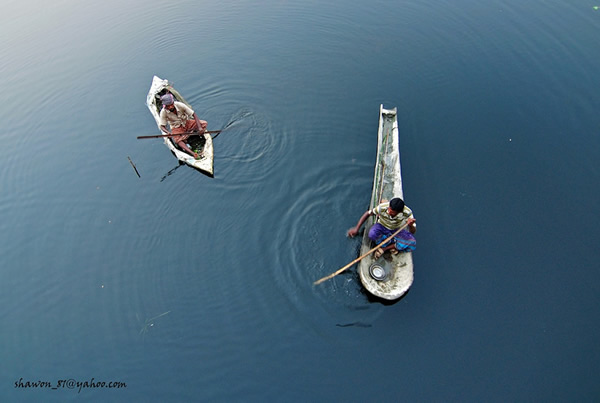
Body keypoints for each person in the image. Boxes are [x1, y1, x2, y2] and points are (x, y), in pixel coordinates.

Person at [347, 197, 417, 259]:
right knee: (372, 234)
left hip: (396, 229)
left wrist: (410, 225)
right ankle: (392, 244)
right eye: (389, 209)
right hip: (382, 226)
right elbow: (368, 213)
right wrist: (357, 228)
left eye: (392, 212)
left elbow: (412, 232)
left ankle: (384, 248)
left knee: (412, 242)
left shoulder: (407, 213)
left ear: (399, 212)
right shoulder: (382, 208)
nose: (389, 212)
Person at [158, 93, 208, 159]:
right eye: (168, 106)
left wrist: (199, 127)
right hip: (176, 127)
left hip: (186, 122)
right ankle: (192, 153)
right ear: (165, 106)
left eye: (171, 105)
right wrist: (167, 132)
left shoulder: (180, 105)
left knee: (203, 123)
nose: (170, 107)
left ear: (173, 102)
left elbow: (193, 114)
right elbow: (162, 126)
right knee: (177, 140)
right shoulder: (163, 112)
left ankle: (189, 134)